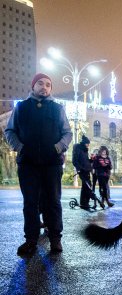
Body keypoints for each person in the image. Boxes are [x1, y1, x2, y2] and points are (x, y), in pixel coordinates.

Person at [5, 73, 72, 255]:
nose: (44, 87)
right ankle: (31, 240)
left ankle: (55, 239)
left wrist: (59, 148)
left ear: (50, 89)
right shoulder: (21, 107)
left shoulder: (57, 108)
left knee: (53, 201)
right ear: (33, 86)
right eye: (40, 83)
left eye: (48, 85)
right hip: (28, 163)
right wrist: (20, 147)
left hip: (52, 164)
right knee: (30, 203)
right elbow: (10, 131)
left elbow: (67, 133)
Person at [72, 135, 95, 210]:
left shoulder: (85, 150)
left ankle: (85, 202)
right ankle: (85, 202)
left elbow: (85, 161)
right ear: (84, 143)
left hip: (86, 170)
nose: (88, 145)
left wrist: (91, 160)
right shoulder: (78, 149)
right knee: (87, 185)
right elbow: (75, 161)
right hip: (82, 170)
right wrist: (79, 169)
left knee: (86, 186)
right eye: (87, 143)